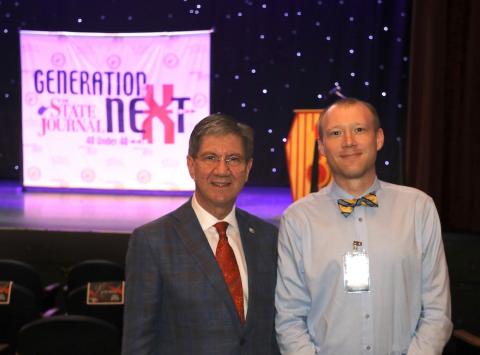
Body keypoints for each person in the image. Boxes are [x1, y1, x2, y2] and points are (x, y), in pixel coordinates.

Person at [275, 98, 452, 355]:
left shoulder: (418, 208)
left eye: (359, 129)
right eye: (336, 133)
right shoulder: (298, 219)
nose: (348, 141)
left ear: (378, 139)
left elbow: (437, 311)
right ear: (322, 147)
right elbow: (289, 319)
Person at [122, 114, 279, 355]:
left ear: (248, 169)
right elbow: (138, 343)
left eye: (233, 159)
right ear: (191, 166)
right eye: (210, 158)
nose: (222, 170)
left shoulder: (268, 238)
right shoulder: (152, 241)